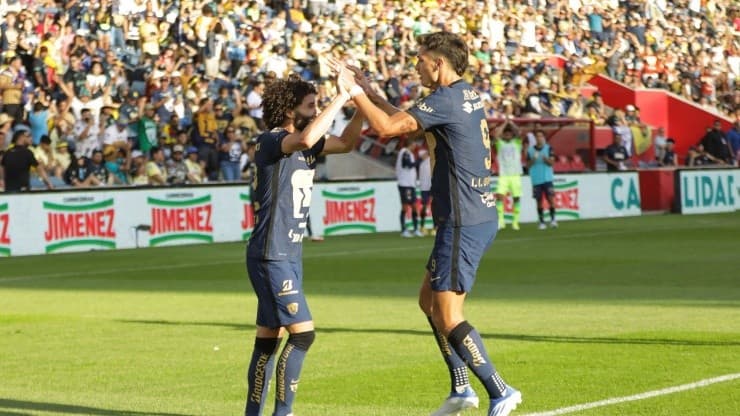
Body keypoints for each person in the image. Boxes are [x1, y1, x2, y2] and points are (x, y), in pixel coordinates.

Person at [339, 31, 521, 416]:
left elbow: (389, 129)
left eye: (420, 59)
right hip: (472, 213)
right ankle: (460, 386)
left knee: (450, 314)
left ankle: (500, 390)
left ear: (438, 62)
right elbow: (410, 121)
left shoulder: (444, 99)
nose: (416, 65)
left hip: (463, 217)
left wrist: (353, 93)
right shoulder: (462, 95)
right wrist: (371, 94)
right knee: (428, 302)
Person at [244, 68, 365, 416]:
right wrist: (340, 96)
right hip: (271, 254)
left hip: (287, 254)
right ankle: (284, 413)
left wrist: (359, 99)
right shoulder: (272, 140)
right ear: (289, 110)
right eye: (310, 105)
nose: (316, 110)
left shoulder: (305, 141)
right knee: (302, 335)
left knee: (268, 341)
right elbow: (308, 138)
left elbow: (347, 143)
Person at [493, 120, 524, 230]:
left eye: (509, 133)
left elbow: (519, 132)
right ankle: (501, 221)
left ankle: (515, 222)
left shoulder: (516, 143)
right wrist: (505, 123)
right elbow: (496, 135)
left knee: (516, 198)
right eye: (505, 133)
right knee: (499, 197)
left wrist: (511, 123)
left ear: (512, 135)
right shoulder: (500, 143)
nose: (507, 135)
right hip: (504, 175)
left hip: (515, 175)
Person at [527, 129, 557, 230]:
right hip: (536, 179)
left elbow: (552, 163)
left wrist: (546, 159)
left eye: (541, 136)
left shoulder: (549, 148)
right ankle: (541, 221)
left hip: (547, 178)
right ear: (535, 138)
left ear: (543, 138)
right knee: (538, 201)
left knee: (551, 199)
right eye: (537, 136)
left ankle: (553, 220)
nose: (539, 138)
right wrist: (533, 159)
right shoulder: (530, 150)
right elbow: (527, 166)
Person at [396, 138, 421, 237]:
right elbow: (407, 165)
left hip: (410, 185)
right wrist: (420, 160)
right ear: (411, 144)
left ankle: (415, 229)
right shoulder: (405, 152)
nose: (415, 146)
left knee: (414, 206)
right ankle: (404, 230)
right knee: (405, 207)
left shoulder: (409, 154)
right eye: (414, 144)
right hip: (405, 184)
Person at [418, 145, 432, 236]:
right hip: (425, 187)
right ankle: (423, 226)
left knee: (434, 207)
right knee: (427, 206)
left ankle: (434, 227)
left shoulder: (427, 162)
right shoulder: (423, 164)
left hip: (428, 187)